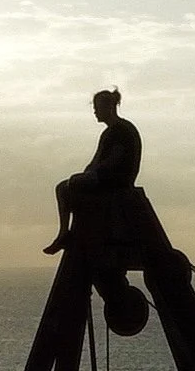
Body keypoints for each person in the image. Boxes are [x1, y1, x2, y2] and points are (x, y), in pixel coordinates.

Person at [43, 88, 142, 253]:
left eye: (97, 107)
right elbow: (96, 160)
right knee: (64, 186)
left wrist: (90, 174)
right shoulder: (110, 132)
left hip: (117, 180)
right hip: (105, 177)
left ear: (108, 108)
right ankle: (64, 232)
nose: (95, 112)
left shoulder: (121, 130)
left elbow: (113, 160)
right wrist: (88, 172)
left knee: (68, 186)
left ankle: (65, 233)